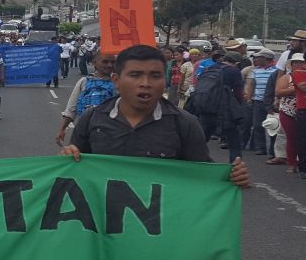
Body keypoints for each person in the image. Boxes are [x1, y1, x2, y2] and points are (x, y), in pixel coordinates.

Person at [62, 44, 250, 188]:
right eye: (135, 75)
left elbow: (202, 176)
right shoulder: (92, 118)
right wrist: (66, 159)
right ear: (116, 81)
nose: (145, 83)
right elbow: (74, 172)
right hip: (103, 225)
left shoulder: (185, 124)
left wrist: (230, 178)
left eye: (155, 76)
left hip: (159, 229)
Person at [54, 53, 117, 146]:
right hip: (85, 132)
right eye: (105, 62)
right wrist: (62, 129)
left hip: (111, 133)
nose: (110, 65)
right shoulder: (84, 82)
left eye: (113, 62)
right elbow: (71, 108)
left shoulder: (119, 83)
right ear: (94, 63)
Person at [245, 48, 279, 155]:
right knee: (257, 125)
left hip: (271, 101)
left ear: (265, 58)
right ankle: (261, 148)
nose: (256, 60)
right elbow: (252, 84)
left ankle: (273, 150)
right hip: (258, 101)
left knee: (273, 125)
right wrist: (249, 97)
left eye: (258, 57)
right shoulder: (255, 70)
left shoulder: (276, 70)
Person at [290, 53, 306, 180]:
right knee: (303, 140)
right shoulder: (298, 72)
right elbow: (303, 87)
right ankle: (303, 168)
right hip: (303, 110)